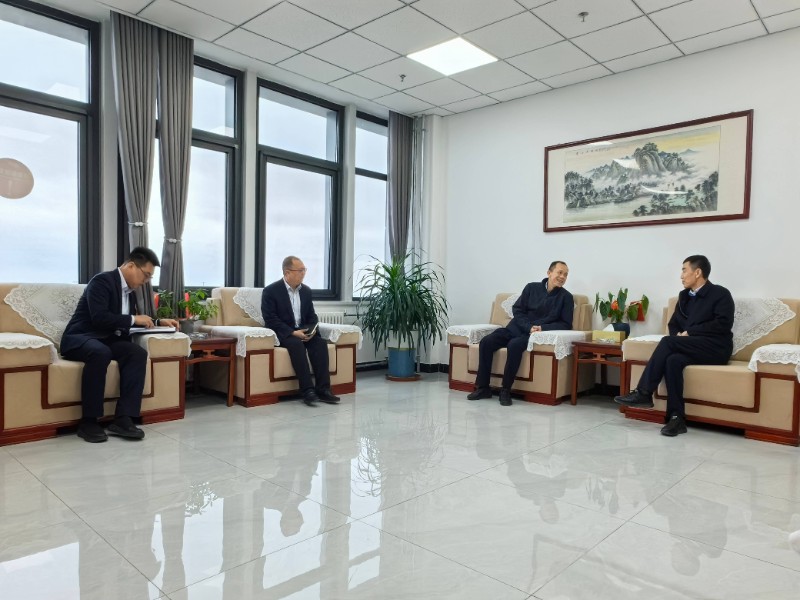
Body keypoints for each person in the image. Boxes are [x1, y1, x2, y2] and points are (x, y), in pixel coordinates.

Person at [61, 247, 178, 443]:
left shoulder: (129, 292)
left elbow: (128, 321)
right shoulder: (101, 281)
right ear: (131, 266)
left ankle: (124, 418)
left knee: (136, 353)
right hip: (81, 337)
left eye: (149, 278)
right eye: (146, 275)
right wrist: (134, 319)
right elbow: (99, 318)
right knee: (100, 353)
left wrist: (157, 322)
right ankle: (89, 421)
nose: (146, 281)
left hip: (106, 339)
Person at [615, 255, 734, 437]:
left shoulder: (720, 293)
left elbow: (723, 324)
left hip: (716, 347)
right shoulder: (684, 296)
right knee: (673, 361)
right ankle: (676, 419)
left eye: (684, 270)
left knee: (667, 342)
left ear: (698, 272)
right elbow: (674, 324)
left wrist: (690, 333)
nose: (681, 275)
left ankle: (644, 392)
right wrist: (678, 335)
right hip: (691, 346)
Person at [468, 261, 573, 406]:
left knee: (515, 345)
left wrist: (542, 328)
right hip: (515, 328)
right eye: (560, 272)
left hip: (532, 335)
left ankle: (505, 390)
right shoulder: (531, 287)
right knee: (487, 341)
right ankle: (483, 388)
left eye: (566, 274)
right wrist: (528, 326)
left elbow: (566, 324)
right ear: (549, 273)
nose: (562, 277)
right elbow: (518, 310)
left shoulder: (566, 297)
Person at [261, 256, 340, 407]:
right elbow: (270, 319)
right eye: (300, 270)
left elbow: (312, 316)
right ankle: (307, 390)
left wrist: (311, 331)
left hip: (303, 331)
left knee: (320, 343)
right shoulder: (271, 291)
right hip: (284, 332)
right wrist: (292, 332)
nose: (303, 273)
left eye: (304, 270)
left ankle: (323, 389)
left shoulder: (306, 291)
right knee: (296, 344)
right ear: (287, 272)